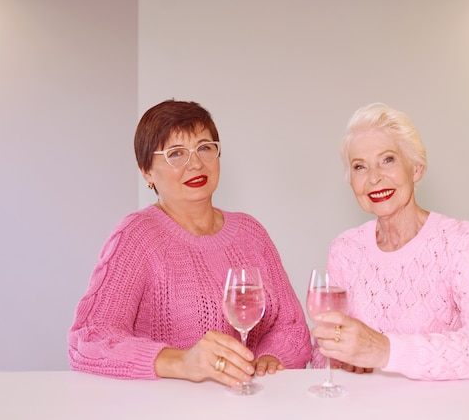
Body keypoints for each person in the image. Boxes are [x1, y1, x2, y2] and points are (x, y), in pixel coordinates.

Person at [68, 100, 312, 387]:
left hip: (252, 403)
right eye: (176, 154)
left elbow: (291, 326)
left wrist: (271, 358)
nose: (195, 163)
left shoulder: (251, 232)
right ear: (146, 170)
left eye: (205, 148)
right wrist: (182, 362)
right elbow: (88, 339)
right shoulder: (137, 236)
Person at [310, 103, 469, 381]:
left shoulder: (463, 241)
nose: (374, 178)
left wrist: (384, 350)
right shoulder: (345, 249)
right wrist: (341, 358)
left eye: (388, 160)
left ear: (416, 168)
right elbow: (322, 355)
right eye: (360, 167)